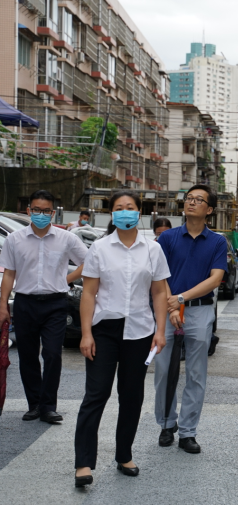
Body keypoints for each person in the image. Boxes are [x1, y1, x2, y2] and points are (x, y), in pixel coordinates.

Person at [73, 191, 169, 487]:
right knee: (96, 394)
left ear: (139, 213)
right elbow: (89, 292)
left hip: (139, 330)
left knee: (131, 395)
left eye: (130, 208)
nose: (125, 212)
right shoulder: (100, 248)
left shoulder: (152, 249)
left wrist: (160, 331)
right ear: (111, 214)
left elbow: (159, 293)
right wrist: (86, 333)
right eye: (119, 208)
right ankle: (83, 463)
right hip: (105, 329)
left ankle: (124, 454)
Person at [0, 190, 88, 423]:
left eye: (46, 211)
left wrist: (66, 281)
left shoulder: (66, 238)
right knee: (27, 356)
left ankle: (49, 406)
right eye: (36, 210)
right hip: (25, 303)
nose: (41, 214)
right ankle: (34, 404)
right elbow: (9, 273)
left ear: (53, 213)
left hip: (55, 304)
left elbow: (88, 262)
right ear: (29, 211)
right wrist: (2, 305)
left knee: (52, 354)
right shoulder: (14, 239)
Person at [154, 184, 227, 454]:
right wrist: (172, 307)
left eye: (199, 200)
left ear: (209, 210)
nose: (191, 203)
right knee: (163, 370)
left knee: (196, 373)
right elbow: (158, 277)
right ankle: (165, 424)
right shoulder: (168, 238)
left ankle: (187, 432)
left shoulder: (218, 241)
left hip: (199, 310)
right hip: (166, 308)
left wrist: (181, 299)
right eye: (188, 198)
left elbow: (216, 278)